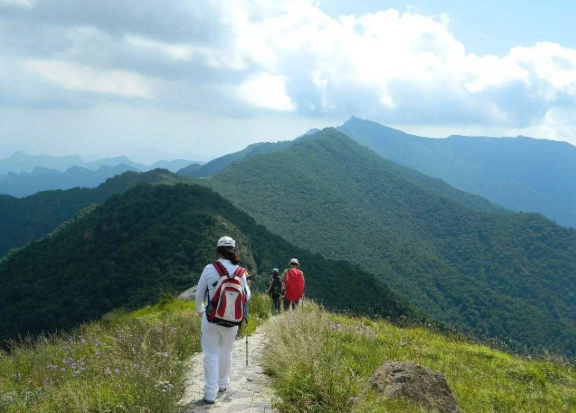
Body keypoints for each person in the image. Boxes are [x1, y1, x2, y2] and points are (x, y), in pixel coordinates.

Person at [195, 236, 251, 404]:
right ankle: (223, 384)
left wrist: (200, 310)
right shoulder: (240, 271)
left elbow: (199, 293)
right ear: (234, 250)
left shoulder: (209, 268)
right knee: (226, 351)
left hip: (211, 318)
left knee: (211, 353)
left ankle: (210, 393)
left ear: (218, 250)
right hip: (232, 319)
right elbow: (247, 295)